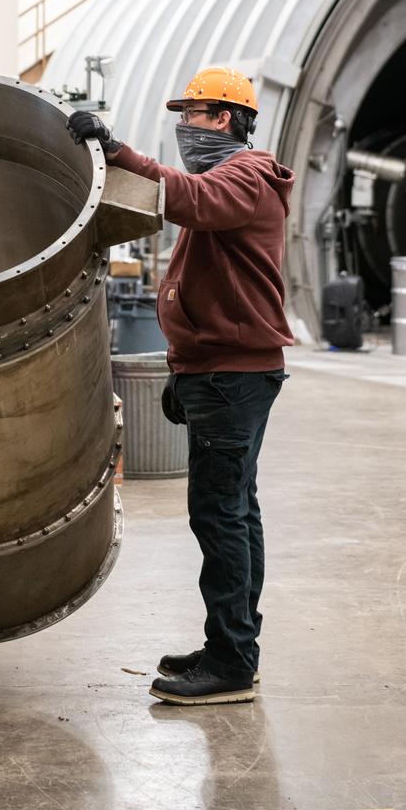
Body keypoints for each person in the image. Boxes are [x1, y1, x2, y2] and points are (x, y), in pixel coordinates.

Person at [67, 66, 294, 707]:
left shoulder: (244, 176)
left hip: (233, 374)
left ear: (224, 118)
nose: (183, 127)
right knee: (235, 512)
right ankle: (232, 646)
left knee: (219, 516)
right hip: (219, 369)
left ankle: (230, 662)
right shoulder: (232, 179)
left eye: (191, 114)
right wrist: (182, 363)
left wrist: (116, 153)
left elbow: (185, 197)